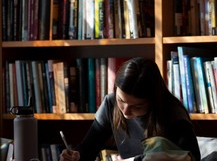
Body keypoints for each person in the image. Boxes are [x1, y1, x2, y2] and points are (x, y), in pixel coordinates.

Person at [60, 57, 201, 161]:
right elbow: (89, 147)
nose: (125, 111)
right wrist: (77, 155)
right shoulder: (110, 103)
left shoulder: (173, 115)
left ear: (153, 101)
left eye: (137, 106)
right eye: (121, 100)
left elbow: (193, 158)